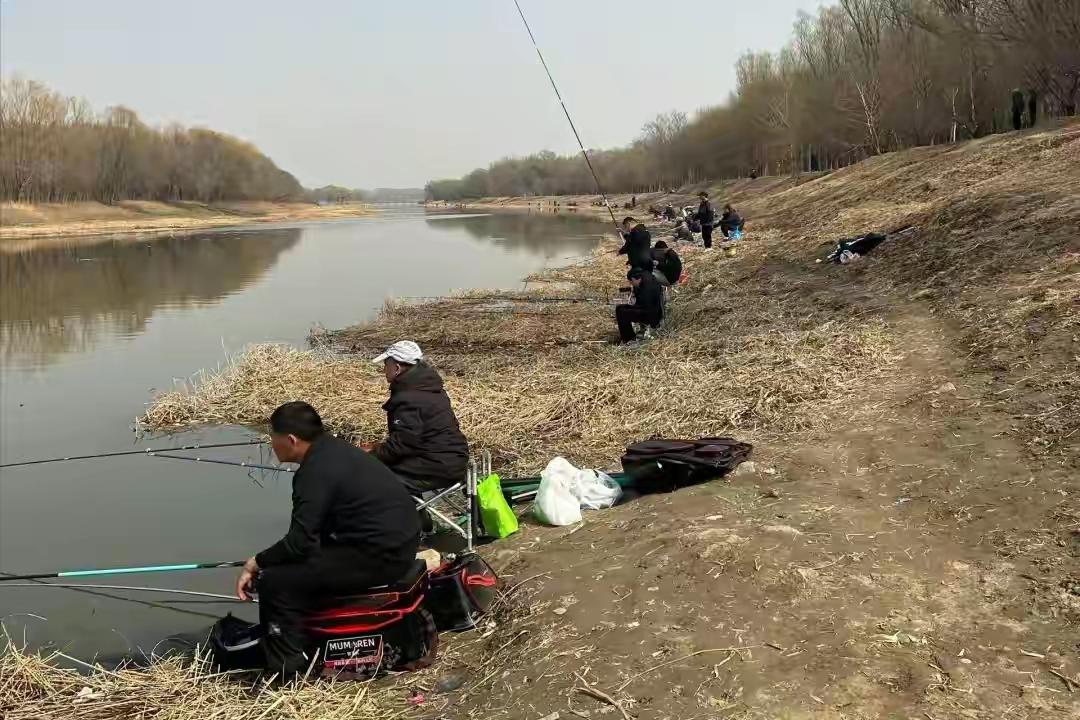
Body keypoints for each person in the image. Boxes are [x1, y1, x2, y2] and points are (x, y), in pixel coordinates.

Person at [235, 401, 421, 677]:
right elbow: (311, 537)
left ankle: (286, 672)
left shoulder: (313, 473)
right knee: (290, 568)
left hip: (381, 557)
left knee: (275, 582)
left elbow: (298, 543)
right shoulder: (335, 451)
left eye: (272, 437)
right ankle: (312, 636)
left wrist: (256, 563)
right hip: (400, 543)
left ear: (291, 440)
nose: (271, 444)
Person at [370, 341, 469, 496]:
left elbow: (403, 445)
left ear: (396, 368)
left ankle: (401, 519)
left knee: (373, 482)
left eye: (386, 365)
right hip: (449, 459)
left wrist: (370, 456)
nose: (384, 370)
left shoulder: (410, 397)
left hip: (437, 466)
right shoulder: (427, 387)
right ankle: (419, 519)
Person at [615, 267, 663, 343]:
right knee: (620, 308)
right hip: (652, 308)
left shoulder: (647, 289)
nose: (631, 283)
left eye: (632, 281)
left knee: (621, 312)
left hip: (651, 315)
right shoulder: (646, 275)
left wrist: (629, 305)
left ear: (638, 279)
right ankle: (628, 335)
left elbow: (644, 306)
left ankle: (628, 339)